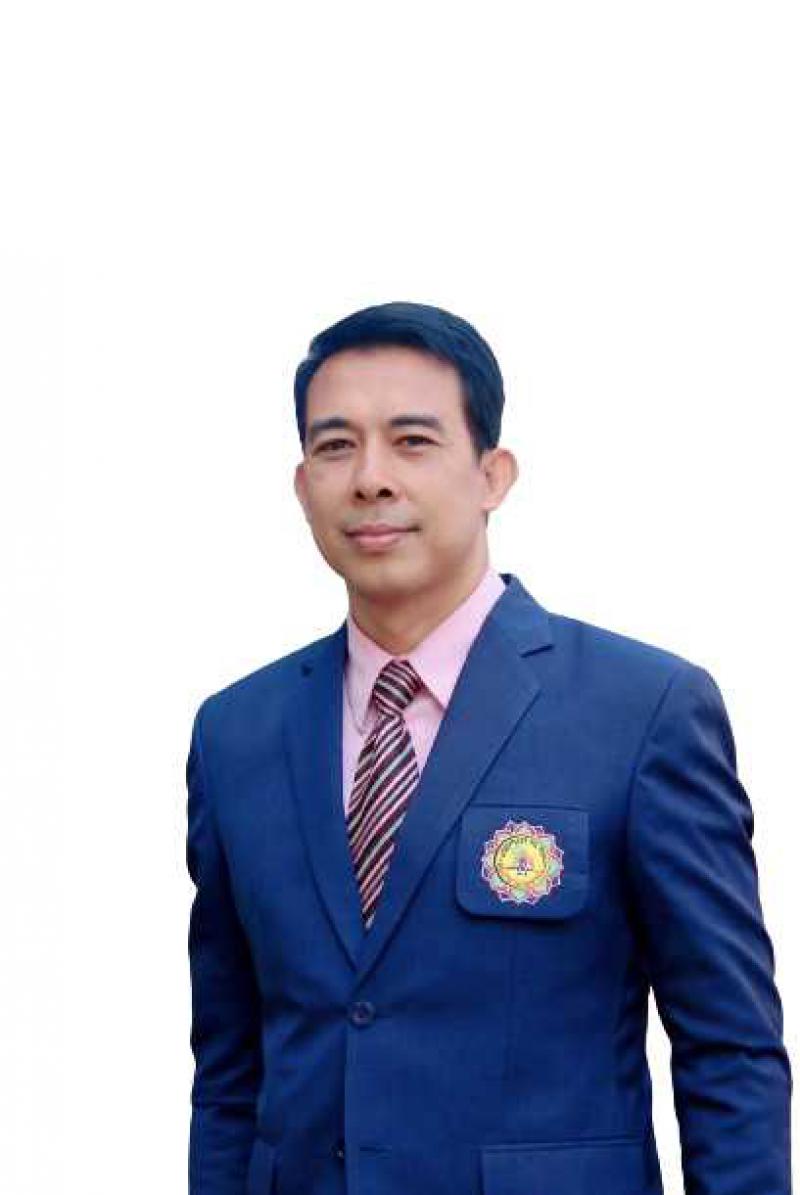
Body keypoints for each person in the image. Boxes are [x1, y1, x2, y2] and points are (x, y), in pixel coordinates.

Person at [185, 301, 791, 1195]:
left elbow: (728, 1048)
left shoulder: (642, 711)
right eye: (336, 445)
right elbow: (229, 1066)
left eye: (413, 441)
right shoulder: (237, 732)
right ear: (303, 483)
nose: (371, 479)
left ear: (491, 474)